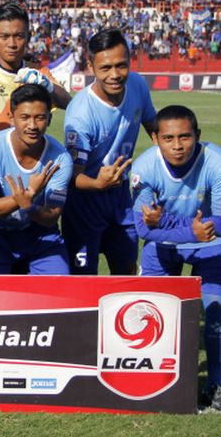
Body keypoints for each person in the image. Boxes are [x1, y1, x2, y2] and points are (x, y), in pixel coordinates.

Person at [130, 106, 221, 410]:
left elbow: (219, 222)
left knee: (216, 319)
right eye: (169, 138)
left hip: (210, 246)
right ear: (155, 138)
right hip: (166, 248)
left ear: (198, 135)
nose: (178, 145)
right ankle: (156, 384)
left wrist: (167, 223)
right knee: (152, 318)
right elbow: (145, 229)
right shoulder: (144, 168)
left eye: (185, 136)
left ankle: (216, 387)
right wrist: (189, 231)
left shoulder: (215, 161)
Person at [62, 29, 156, 275]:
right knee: (84, 278)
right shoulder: (80, 114)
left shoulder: (137, 85)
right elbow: (74, 175)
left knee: (126, 270)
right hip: (85, 201)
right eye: (105, 68)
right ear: (91, 67)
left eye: (121, 66)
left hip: (122, 196)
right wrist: (97, 184)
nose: (115, 75)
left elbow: (155, 129)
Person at [0, 84, 72, 274]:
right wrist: (28, 195)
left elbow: (52, 217)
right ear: (11, 118)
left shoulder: (60, 159)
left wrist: (29, 205)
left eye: (40, 117)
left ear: (50, 119)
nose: (33, 126)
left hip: (40, 235)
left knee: (58, 287)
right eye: (25, 117)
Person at [0, 2, 71, 142]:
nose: (12, 44)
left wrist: (48, 86)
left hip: (29, 162)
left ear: (28, 36)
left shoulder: (37, 73)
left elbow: (69, 104)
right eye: (4, 36)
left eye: (19, 36)